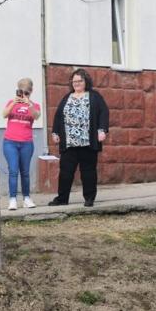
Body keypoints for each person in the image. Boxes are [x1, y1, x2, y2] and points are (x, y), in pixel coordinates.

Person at [48, 68, 109, 207]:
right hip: (69, 142)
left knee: (88, 172)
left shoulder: (94, 96)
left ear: (86, 81)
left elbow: (103, 113)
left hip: (87, 142)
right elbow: (58, 116)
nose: (76, 83)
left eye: (79, 81)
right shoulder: (67, 97)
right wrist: (55, 133)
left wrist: (102, 130)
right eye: (74, 81)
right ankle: (62, 198)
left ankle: (89, 198)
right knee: (65, 172)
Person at [2, 77, 42, 210]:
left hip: (26, 143)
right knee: (13, 170)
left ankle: (26, 198)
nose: (24, 95)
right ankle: (12, 199)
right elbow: (4, 114)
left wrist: (28, 104)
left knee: (25, 172)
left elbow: (36, 116)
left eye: (27, 92)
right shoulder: (11, 102)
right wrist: (14, 102)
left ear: (31, 92)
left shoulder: (34, 105)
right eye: (21, 92)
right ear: (18, 91)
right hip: (10, 142)